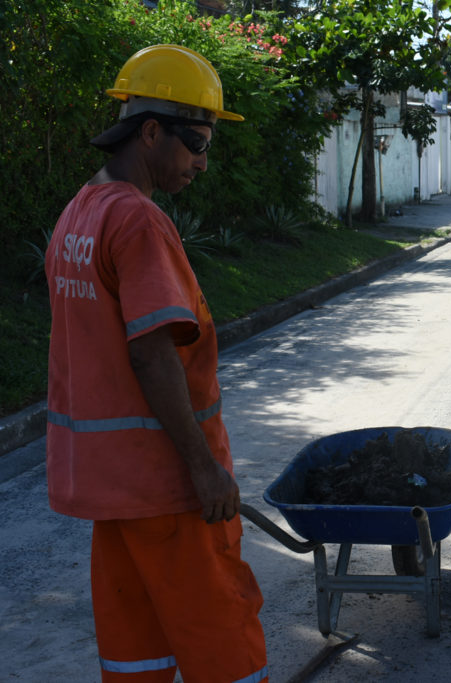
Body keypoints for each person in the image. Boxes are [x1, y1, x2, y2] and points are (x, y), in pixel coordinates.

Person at [45, 44, 268, 682]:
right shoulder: (138, 222)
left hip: (111, 490)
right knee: (224, 640)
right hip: (167, 487)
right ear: (150, 132)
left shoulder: (80, 212)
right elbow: (151, 353)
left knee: (136, 649)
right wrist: (202, 468)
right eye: (198, 142)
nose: (202, 161)